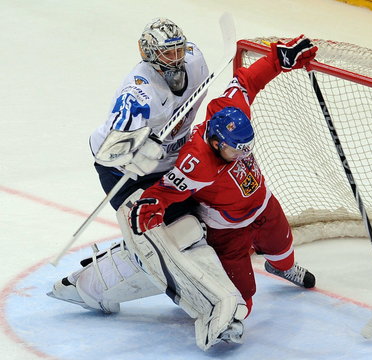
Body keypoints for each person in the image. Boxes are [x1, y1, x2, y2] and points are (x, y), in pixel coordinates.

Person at [48, 18, 248, 351]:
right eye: (166, 53)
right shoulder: (137, 95)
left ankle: (89, 286)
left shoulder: (196, 60)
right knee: (163, 240)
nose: (176, 58)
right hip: (125, 171)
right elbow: (111, 151)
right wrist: (140, 147)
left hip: (168, 163)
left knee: (187, 231)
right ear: (148, 53)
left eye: (178, 49)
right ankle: (213, 308)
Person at [128, 34, 319, 319]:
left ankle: (279, 267)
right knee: (242, 296)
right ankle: (227, 321)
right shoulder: (197, 163)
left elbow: (246, 81)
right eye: (236, 149)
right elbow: (166, 192)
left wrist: (277, 61)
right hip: (228, 230)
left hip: (263, 204)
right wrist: (150, 205)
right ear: (216, 142)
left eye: (246, 148)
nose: (243, 155)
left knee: (283, 249)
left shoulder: (230, 110)